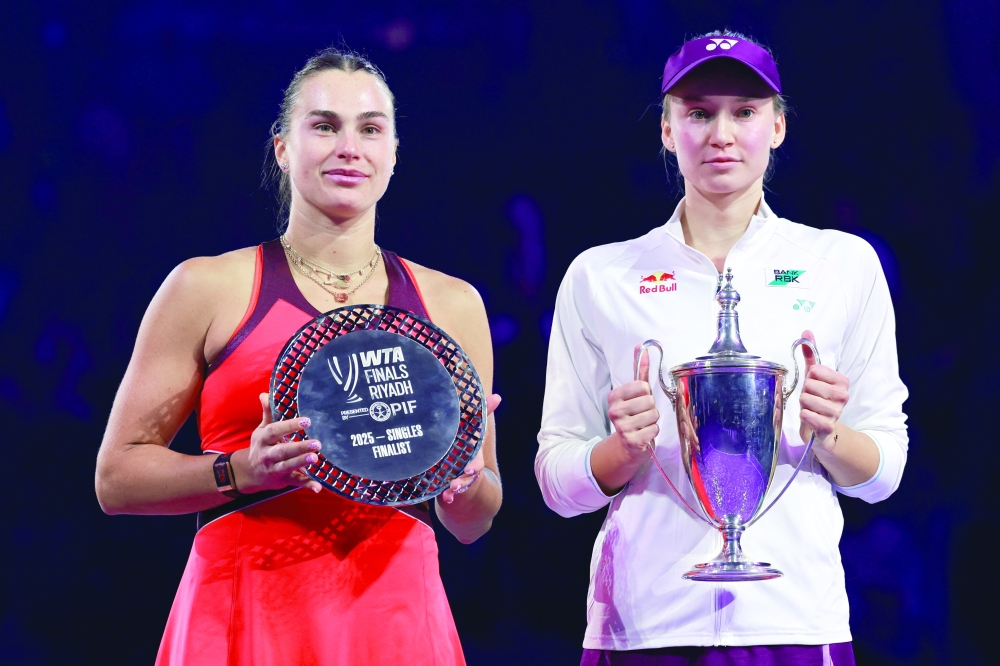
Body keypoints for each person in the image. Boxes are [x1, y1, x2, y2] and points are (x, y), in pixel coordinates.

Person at [95, 48, 501, 666]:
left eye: (370, 128)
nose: (349, 146)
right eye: (324, 125)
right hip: (244, 604)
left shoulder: (453, 304)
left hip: (393, 615)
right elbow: (116, 479)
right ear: (283, 148)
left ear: (393, 154)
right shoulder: (206, 286)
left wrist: (463, 483)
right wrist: (239, 471)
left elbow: (475, 519)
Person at [536, 31, 907, 665]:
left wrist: (829, 432)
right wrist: (619, 453)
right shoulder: (602, 275)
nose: (721, 133)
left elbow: (885, 474)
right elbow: (556, 481)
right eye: (699, 112)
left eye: (745, 111)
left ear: (779, 125)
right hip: (643, 622)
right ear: (666, 128)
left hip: (792, 620)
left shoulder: (841, 264)